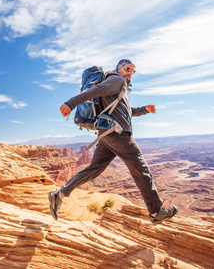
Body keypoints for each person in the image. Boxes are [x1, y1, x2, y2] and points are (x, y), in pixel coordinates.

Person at [49, 59, 178, 225]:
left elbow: (127, 112)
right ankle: (156, 211)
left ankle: (59, 195)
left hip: (107, 135)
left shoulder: (120, 86)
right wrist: (71, 103)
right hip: (119, 135)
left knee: (93, 169)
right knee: (141, 169)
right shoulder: (117, 79)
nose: (130, 72)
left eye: (133, 70)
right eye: (127, 68)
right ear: (119, 68)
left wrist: (145, 110)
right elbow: (96, 90)